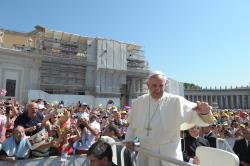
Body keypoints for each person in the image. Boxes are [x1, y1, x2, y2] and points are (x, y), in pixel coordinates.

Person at [124, 71, 214, 166]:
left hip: (169, 154)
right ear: (148, 85)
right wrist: (129, 139)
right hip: (146, 153)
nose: (157, 89)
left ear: (165, 85)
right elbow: (133, 125)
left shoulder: (176, 101)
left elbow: (200, 117)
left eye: (161, 85)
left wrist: (205, 112)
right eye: (154, 85)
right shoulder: (139, 102)